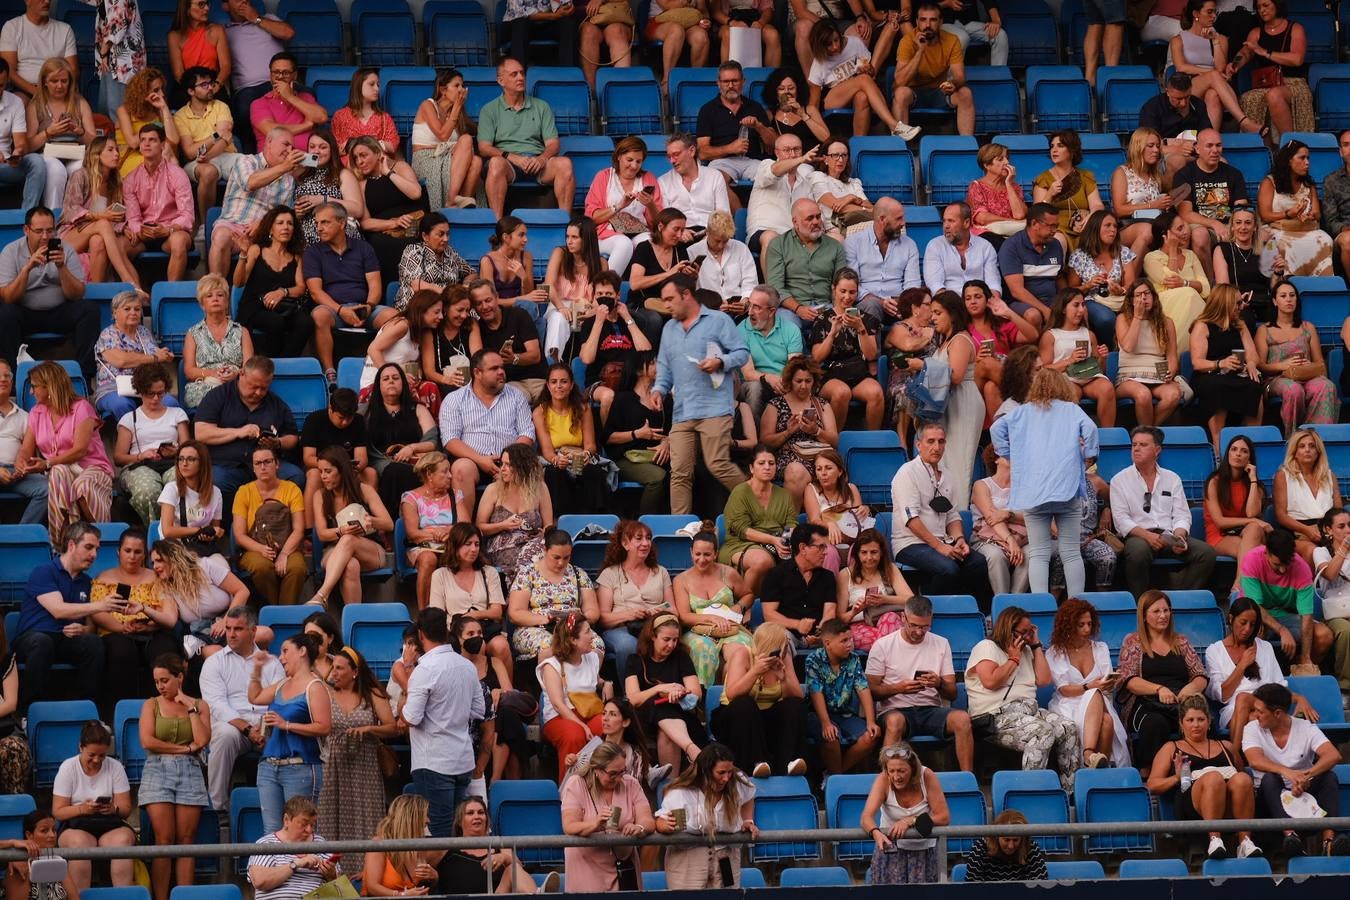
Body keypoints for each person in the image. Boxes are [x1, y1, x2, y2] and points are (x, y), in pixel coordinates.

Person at [649, 274, 749, 515]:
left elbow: (742, 353)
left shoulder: (719, 320)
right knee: (679, 472)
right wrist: (658, 389)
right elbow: (664, 366)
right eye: (664, 300)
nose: (667, 305)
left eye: (671, 299)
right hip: (683, 411)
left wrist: (720, 361)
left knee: (718, 465)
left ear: (686, 295)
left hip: (714, 408)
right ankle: (679, 529)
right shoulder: (668, 329)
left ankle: (757, 505)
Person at [966, 606, 1080, 789]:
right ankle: (1031, 791)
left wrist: (1035, 646)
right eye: (1023, 632)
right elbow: (990, 681)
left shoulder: (1027, 649)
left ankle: (1069, 792)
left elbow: (1044, 680)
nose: (1027, 637)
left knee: (1068, 728)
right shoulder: (986, 647)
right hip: (995, 715)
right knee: (1042, 731)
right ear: (1008, 629)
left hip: (1029, 711)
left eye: (1030, 631)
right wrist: (1013, 659)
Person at [399, 607, 483, 838]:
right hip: (462, 758)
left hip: (433, 761)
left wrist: (405, 675)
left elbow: (411, 718)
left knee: (438, 830)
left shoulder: (423, 669)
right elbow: (478, 710)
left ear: (421, 634)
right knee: (456, 829)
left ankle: (442, 876)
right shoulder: (467, 666)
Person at [1146, 693, 1257, 860]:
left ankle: (1245, 842)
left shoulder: (1226, 746)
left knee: (1242, 779)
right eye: (1190, 720)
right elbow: (1152, 785)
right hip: (1192, 805)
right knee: (1213, 777)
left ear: (1209, 721)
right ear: (1181, 724)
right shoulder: (1171, 747)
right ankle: (1214, 839)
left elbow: (1240, 774)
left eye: (1200, 719)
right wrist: (1176, 777)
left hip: (1228, 804)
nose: (1196, 725)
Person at [1244, 681, 1349, 857]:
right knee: (1270, 778)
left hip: (1303, 793)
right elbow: (1255, 760)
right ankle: (1291, 838)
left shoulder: (1305, 727)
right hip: (1269, 801)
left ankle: (1328, 842)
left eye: (1260, 712)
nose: (1255, 716)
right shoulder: (1252, 728)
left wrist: (1306, 776)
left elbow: (1333, 755)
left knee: (1329, 777)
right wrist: (1287, 772)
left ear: (1277, 713)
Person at [1109, 426, 1217, 596]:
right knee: (1138, 552)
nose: (1136, 448)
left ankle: (1179, 596)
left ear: (1157, 450)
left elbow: (1182, 514)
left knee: (1207, 553)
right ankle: (1141, 603)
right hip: (1139, 536)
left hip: (1169, 535)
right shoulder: (1119, 480)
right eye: (1134, 444)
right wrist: (1148, 536)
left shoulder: (1172, 478)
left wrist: (1180, 536)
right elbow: (1121, 521)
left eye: (1143, 445)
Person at [317, 646, 395, 878]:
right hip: (334, 766)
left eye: (340, 668)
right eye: (333, 668)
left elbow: (392, 727)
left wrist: (369, 728)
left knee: (367, 820)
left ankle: (368, 876)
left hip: (366, 766)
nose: (334, 672)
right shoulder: (325, 693)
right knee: (332, 821)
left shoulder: (372, 694)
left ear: (355, 672)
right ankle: (333, 877)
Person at [889, 422, 989, 603]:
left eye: (941, 442)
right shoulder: (907, 473)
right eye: (931, 441)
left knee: (978, 563)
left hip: (943, 541)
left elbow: (952, 516)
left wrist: (959, 540)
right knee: (948, 568)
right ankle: (927, 606)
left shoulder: (948, 475)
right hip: (910, 543)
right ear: (919, 445)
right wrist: (939, 546)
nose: (936, 447)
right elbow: (911, 520)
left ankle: (971, 612)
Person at [138, 654, 210, 900]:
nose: (160, 686)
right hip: (158, 769)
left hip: (190, 770)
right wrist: (183, 749)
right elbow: (147, 741)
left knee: (186, 841)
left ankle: (184, 897)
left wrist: (189, 707)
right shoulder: (151, 704)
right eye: (157, 681)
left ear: (179, 677)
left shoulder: (199, 705)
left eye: (165, 680)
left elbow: (202, 740)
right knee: (164, 839)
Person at [15, 361, 112, 542]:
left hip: (91, 468)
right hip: (60, 471)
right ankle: (61, 543)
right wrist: (21, 461)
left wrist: (48, 463)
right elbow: (26, 448)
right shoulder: (36, 412)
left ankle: (100, 538)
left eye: (34, 387)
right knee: (58, 473)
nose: (31, 392)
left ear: (49, 386)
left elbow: (80, 450)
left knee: (80, 486)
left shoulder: (82, 407)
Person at [1117, 589, 1210, 770]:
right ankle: (1150, 773)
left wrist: (1191, 688)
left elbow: (1200, 675)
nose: (1163, 615)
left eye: (1166, 610)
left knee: (1200, 718)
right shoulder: (1134, 642)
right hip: (1146, 702)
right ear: (1144, 616)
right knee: (1155, 723)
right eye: (1157, 611)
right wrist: (1159, 689)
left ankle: (1202, 768)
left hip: (1180, 700)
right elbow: (1128, 680)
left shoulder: (1181, 641)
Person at [439, 349, 536, 523]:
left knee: (533, 467)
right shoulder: (454, 399)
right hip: (473, 462)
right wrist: (480, 459)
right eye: (494, 368)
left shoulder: (516, 396)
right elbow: (450, 439)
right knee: (461, 468)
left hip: (511, 461)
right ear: (477, 372)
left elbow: (527, 433)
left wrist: (510, 460)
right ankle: (465, 532)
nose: (501, 372)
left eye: (502, 367)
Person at [248, 632, 332, 833]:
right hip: (269, 766)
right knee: (272, 830)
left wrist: (286, 725)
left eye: (285, 651)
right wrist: (257, 669)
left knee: (301, 830)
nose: (281, 657)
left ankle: (301, 866)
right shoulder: (283, 684)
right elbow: (255, 696)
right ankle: (279, 866)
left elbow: (324, 726)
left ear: (302, 651)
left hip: (300, 766)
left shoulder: (315, 686)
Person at [199, 606, 281, 809]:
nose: (231, 634)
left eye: (238, 629)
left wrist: (264, 728)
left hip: (265, 722)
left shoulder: (272, 663)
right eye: (228, 628)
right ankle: (218, 807)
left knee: (283, 732)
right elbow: (216, 706)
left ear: (253, 632)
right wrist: (247, 729)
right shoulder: (214, 663)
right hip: (233, 724)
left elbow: (279, 699)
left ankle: (281, 804)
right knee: (225, 735)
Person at [0, 206, 93, 378]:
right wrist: (27, 269)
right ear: (26, 230)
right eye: (39, 231)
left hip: (58, 312)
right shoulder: (11, 252)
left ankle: (84, 376)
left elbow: (77, 294)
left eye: (50, 231)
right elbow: (7, 297)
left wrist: (61, 266)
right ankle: (10, 377)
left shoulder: (66, 250)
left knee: (88, 309)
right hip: (25, 313)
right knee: (4, 314)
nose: (45, 237)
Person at [304, 203, 391, 384]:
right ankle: (330, 374)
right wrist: (341, 309)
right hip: (333, 310)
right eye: (317, 223)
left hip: (363, 307)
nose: (319, 228)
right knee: (319, 315)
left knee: (394, 317)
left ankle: (384, 367)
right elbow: (315, 292)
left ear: (342, 223)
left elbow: (375, 285)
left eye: (325, 222)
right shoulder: (313, 252)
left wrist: (368, 306)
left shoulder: (363, 248)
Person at [477, 58, 573, 217]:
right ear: (501, 80)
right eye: (514, 74)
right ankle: (497, 227)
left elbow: (553, 143)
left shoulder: (541, 106)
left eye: (522, 73)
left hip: (537, 163)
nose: (520, 78)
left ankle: (566, 226)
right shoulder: (489, 109)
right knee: (495, 164)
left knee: (564, 163)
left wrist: (542, 159)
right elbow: (484, 148)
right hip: (509, 164)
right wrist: (512, 157)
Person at [653, 743, 758, 888]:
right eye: (721, 773)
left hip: (726, 855)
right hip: (689, 857)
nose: (726, 778)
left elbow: (749, 795)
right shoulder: (680, 792)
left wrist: (747, 820)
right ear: (705, 771)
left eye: (729, 772)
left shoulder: (737, 782)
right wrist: (665, 826)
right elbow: (660, 821)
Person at [711, 622, 807, 777]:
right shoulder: (743, 654)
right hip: (735, 718)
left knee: (795, 705)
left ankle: (788, 765)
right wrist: (754, 672)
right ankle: (755, 765)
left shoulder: (784, 657)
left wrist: (784, 680)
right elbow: (732, 694)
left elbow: (797, 696)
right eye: (784, 643)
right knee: (744, 703)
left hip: (765, 719)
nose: (786, 646)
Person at [90, 529, 178, 702]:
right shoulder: (104, 578)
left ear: (144, 554)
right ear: (118, 552)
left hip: (153, 632)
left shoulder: (156, 578)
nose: (132, 556)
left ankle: (166, 707)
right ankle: (125, 710)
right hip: (115, 632)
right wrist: (123, 627)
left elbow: (168, 611)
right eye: (127, 551)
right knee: (122, 652)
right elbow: (98, 612)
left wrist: (149, 625)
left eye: (137, 552)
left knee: (165, 651)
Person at [1208, 595, 1310, 742]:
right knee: (1248, 709)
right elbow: (1222, 695)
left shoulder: (1265, 647)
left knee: (1255, 718)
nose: (1247, 629)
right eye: (1243, 623)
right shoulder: (1215, 650)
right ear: (1231, 619)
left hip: (1266, 706)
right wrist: (1242, 665)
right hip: (1234, 709)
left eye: (1252, 624)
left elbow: (1278, 687)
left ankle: (1237, 756)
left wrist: (1299, 698)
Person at [560, 740, 655, 891]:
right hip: (586, 868)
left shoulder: (631, 783)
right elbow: (569, 826)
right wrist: (595, 823)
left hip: (623, 869)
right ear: (596, 769)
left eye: (622, 772)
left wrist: (639, 827)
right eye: (612, 774)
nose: (618, 779)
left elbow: (647, 820)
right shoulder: (576, 784)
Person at [51, 721, 135, 892]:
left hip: (109, 825)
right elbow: (58, 812)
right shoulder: (68, 767)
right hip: (75, 826)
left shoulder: (115, 766)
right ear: (81, 747)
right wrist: (83, 809)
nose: (97, 760)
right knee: (79, 844)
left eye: (102, 756)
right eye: (92, 755)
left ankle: (124, 895)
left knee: (123, 841)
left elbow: (126, 809)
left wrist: (113, 809)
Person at [1046, 598, 1129, 769]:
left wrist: (1110, 683)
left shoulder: (1101, 648)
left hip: (1100, 699)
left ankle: (1093, 761)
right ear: (1068, 625)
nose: (1087, 629)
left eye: (1089, 624)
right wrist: (1089, 686)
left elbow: (1106, 683)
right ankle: (1090, 755)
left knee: (1101, 706)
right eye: (1081, 625)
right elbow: (1064, 690)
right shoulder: (1054, 652)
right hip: (1068, 703)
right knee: (1105, 720)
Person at [208, 127, 302, 277]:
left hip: (263, 233)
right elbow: (250, 183)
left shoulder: (288, 180)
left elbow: (284, 213)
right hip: (232, 225)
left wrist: (264, 222)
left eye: (292, 147)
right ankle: (217, 289)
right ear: (269, 142)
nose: (290, 150)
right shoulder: (246, 161)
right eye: (286, 144)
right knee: (221, 236)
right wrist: (284, 167)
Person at [308, 449, 394, 609]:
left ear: (342, 470)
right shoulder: (319, 495)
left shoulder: (364, 489)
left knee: (349, 539)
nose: (323, 476)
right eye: (320, 472)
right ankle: (353, 621)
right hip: (333, 551)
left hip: (370, 550)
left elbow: (389, 524)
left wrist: (371, 521)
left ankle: (322, 594)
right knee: (350, 565)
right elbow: (322, 534)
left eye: (328, 471)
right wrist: (341, 531)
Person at [1242, 527, 1333, 672]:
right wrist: (1282, 630)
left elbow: (1306, 615)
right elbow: (1255, 606)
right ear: (1267, 553)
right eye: (1277, 565)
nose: (1283, 570)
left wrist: (1306, 656)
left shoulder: (1302, 568)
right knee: (1254, 631)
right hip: (1258, 615)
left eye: (1287, 564)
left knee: (1324, 635)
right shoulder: (1251, 560)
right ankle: (1257, 679)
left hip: (1288, 615)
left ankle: (1300, 669)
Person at [1256, 279, 1339, 432]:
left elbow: (1320, 362)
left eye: (1292, 295)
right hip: (1278, 378)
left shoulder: (1308, 327)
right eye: (1283, 296)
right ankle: (1294, 438)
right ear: (1275, 301)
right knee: (1293, 390)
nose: (1288, 299)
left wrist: (1309, 366)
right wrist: (1282, 365)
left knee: (1327, 386)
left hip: (1308, 376)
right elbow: (1259, 365)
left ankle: (1317, 436)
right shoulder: (1264, 330)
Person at [111, 365, 189, 528]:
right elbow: (118, 458)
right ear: (140, 391)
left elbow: (188, 448)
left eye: (160, 393)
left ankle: (176, 531)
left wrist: (177, 451)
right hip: (139, 465)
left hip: (173, 463)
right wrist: (141, 455)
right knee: (147, 491)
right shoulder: (129, 419)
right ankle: (158, 530)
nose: (155, 398)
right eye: (150, 394)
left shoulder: (177, 414)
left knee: (179, 485)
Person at [674, 530, 754, 687]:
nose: (702, 559)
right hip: (697, 631)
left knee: (740, 649)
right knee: (704, 649)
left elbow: (748, 594)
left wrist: (739, 606)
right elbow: (683, 616)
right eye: (697, 554)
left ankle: (732, 693)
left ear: (716, 554)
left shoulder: (728, 573)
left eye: (707, 555)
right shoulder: (681, 580)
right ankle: (703, 698)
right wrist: (712, 618)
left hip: (729, 628)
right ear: (691, 552)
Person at [508, 528, 600, 666]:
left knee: (596, 644)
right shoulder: (528, 574)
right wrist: (546, 619)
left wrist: (576, 621)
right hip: (537, 628)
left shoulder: (578, 574)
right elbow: (515, 613)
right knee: (553, 645)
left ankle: (587, 684)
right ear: (545, 550)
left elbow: (593, 611)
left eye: (566, 557)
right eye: (556, 557)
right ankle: (551, 686)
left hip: (573, 627)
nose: (561, 563)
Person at [860, 742, 948, 885]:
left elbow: (943, 817)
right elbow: (866, 817)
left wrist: (909, 820)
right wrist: (876, 833)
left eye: (901, 771)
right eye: (892, 771)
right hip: (891, 851)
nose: (896, 776)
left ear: (913, 769)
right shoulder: (883, 779)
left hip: (924, 852)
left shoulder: (926, 776)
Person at [1170, 0, 1263, 135]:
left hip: (1216, 86)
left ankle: (1209, 140)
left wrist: (1215, 41)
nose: (1214, 16)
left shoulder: (1221, 39)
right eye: (1209, 12)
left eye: (1215, 12)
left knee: (1213, 95)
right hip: (1189, 85)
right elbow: (1181, 67)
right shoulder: (1178, 39)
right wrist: (1210, 72)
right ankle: (1243, 121)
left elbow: (1220, 68)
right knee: (1214, 76)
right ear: (1196, 14)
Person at [1189, 284, 1263, 451]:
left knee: (1254, 384)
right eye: (1237, 303)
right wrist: (1220, 363)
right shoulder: (1202, 325)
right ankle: (1219, 448)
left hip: (1234, 373)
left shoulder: (1240, 325)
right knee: (1217, 386)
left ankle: (1250, 444)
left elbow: (1253, 355)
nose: (1241, 306)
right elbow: (1197, 363)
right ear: (1224, 303)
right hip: (1209, 373)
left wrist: (1251, 364)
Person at [536, 612, 607, 781]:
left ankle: (602, 785)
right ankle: (570, 791)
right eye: (588, 632)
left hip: (589, 712)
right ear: (573, 640)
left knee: (609, 724)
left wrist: (607, 685)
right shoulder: (551, 665)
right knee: (574, 734)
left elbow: (597, 680)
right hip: (560, 716)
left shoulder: (593, 657)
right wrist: (583, 726)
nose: (593, 637)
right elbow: (558, 704)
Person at [231, 444, 306, 605]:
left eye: (267, 462)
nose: (263, 467)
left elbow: (299, 529)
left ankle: (287, 615)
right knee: (262, 567)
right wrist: (261, 549)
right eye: (258, 463)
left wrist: (284, 554)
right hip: (254, 547)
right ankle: (271, 612)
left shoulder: (292, 489)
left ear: (277, 464)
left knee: (297, 568)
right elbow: (239, 535)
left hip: (288, 546)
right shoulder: (244, 492)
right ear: (253, 468)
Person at [720, 445, 798, 598]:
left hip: (776, 543)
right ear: (751, 468)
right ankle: (744, 605)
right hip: (739, 544)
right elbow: (741, 529)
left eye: (771, 463)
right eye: (761, 463)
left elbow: (791, 523)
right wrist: (773, 540)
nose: (767, 467)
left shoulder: (783, 494)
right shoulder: (740, 492)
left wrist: (785, 541)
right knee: (762, 561)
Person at [805, 21, 908, 138]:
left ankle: (858, 145)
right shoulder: (819, 63)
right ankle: (893, 125)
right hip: (832, 98)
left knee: (862, 97)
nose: (835, 46)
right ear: (820, 46)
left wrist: (868, 69)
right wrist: (817, 127)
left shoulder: (853, 43)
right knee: (863, 79)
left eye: (836, 40)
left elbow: (871, 73)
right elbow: (813, 104)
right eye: (828, 44)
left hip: (857, 92)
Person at [233, 205, 311, 359]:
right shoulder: (256, 249)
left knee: (305, 322)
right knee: (275, 322)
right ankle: (272, 362)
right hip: (255, 306)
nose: (286, 227)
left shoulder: (297, 256)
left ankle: (286, 362)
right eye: (280, 223)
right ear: (270, 229)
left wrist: (283, 292)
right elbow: (238, 282)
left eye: (290, 223)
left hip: (282, 306)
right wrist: (243, 253)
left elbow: (301, 288)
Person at [532, 363, 610, 515]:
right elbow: (546, 451)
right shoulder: (540, 412)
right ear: (547, 385)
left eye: (564, 381)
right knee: (556, 474)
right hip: (553, 458)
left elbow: (590, 445)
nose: (559, 386)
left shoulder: (583, 408)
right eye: (554, 382)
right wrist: (556, 459)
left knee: (593, 471)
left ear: (572, 384)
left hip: (578, 455)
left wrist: (586, 454)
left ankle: (593, 520)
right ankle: (561, 520)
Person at [428, 523, 511, 665]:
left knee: (501, 645)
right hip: (455, 630)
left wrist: (475, 615)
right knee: (474, 644)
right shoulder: (440, 575)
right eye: (468, 544)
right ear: (455, 546)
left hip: (484, 628)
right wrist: (462, 626)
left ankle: (506, 687)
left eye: (477, 544)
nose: (473, 549)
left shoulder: (489, 572)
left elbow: (497, 612)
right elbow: (438, 615)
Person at [1172, 128, 1249, 280]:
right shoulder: (1184, 175)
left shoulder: (1233, 174)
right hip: (1203, 225)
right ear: (1197, 148)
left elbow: (1242, 208)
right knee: (1199, 235)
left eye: (1218, 145)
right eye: (1209, 146)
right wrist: (1214, 223)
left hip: (1230, 225)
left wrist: (1233, 226)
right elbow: (1185, 213)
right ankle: (1209, 284)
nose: (1215, 150)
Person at [806, 618, 880, 774]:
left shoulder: (853, 659)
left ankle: (834, 776)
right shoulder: (814, 660)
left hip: (845, 715)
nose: (849, 644)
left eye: (850, 639)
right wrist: (826, 723)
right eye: (844, 641)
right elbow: (815, 691)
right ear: (827, 644)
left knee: (871, 737)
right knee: (831, 737)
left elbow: (863, 688)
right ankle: (837, 779)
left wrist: (871, 721)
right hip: (818, 716)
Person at [758, 355, 837, 501]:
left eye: (808, 381)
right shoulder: (775, 404)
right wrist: (788, 432)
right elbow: (765, 441)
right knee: (796, 470)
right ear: (790, 381)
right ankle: (791, 521)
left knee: (817, 469)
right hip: (787, 458)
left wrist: (816, 430)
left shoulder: (822, 404)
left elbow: (834, 440)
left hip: (817, 459)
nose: (803, 386)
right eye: (798, 381)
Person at [1233, 1, 1312, 144]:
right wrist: (1235, 64)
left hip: (1293, 83)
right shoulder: (1256, 32)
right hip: (1266, 84)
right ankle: (1265, 150)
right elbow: (1245, 52)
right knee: (1249, 97)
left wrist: (1265, 52)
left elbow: (1297, 59)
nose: (1262, 10)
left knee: (1274, 95)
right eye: (1258, 8)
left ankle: (1290, 146)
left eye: (1266, 5)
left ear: (1277, 5)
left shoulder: (1295, 28)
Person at [584, 135, 661, 280]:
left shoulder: (648, 178)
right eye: (630, 160)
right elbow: (592, 218)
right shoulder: (604, 176)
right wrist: (619, 206)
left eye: (638, 161)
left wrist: (650, 204)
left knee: (651, 242)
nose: (634, 166)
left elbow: (657, 223)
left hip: (638, 232)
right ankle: (604, 289)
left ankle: (644, 294)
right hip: (605, 234)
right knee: (624, 243)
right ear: (619, 156)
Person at [121, 133, 195, 283]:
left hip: (170, 232)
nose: (146, 144)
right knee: (118, 246)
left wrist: (168, 229)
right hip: (143, 235)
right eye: (143, 140)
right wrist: (139, 231)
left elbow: (187, 215)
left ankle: (172, 295)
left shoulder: (177, 174)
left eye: (152, 140)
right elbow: (133, 218)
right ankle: (136, 294)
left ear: (162, 145)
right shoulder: (131, 179)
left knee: (179, 241)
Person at [477, 442, 551, 590]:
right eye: (501, 464)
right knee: (518, 558)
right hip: (502, 546)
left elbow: (548, 524)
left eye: (508, 465)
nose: (502, 469)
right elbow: (479, 527)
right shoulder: (493, 490)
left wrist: (545, 533)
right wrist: (503, 525)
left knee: (544, 555)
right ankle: (518, 600)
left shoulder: (540, 488)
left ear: (522, 467)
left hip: (532, 543)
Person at [1038, 288, 1116, 427]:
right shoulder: (1050, 335)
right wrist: (1070, 360)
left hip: (1089, 378)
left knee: (1107, 388)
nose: (1081, 310)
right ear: (1063, 309)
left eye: (1083, 305)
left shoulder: (1089, 334)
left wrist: (1103, 358)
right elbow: (1043, 369)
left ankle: (1107, 435)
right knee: (1072, 392)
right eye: (1076, 305)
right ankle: (1070, 435)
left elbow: (1100, 369)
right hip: (1065, 378)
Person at [1204, 435, 1272, 595]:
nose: (1238, 454)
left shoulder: (1256, 485)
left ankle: (1238, 586)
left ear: (1250, 458)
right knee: (1259, 551)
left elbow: (1251, 513)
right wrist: (1253, 520)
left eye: (1244, 451)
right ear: (1228, 454)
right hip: (1219, 536)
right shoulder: (1214, 481)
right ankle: (1248, 590)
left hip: (1247, 534)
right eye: (1234, 449)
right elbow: (1219, 522)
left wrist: (1253, 480)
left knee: (1254, 530)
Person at [93, 291, 176, 420]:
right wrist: (154, 358)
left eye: (137, 309)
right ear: (115, 313)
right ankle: (134, 439)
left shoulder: (143, 332)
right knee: (123, 405)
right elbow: (122, 361)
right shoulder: (107, 334)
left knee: (170, 403)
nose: (133, 312)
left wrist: (165, 355)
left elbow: (156, 354)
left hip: (145, 387)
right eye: (127, 309)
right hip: (113, 388)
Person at [891, 2, 970, 137]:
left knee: (965, 93)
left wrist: (953, 84)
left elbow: (960, 76)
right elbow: (899, 81)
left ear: (940, 22)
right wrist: (920, 51)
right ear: (916, 22)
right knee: (901, 93)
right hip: (913, 93)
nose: (927, 25)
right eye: (923, 20)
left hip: (939, 91)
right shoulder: (907, 41)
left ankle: (968, 146)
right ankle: (899, 146)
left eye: (933, 20)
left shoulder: (952, 40)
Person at [437, 797, 545, 895]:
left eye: (481, 812)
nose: (477, 816)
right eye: (470, 813)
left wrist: (504, 858)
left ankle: (538, 895)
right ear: (460, 821)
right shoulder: (447, 848)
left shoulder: (499, 844)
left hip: (495, 896)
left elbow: (519, 871)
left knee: (513, 868)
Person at [357, 291, 444, 411]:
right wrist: (395, 375)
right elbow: (373, 349)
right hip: (378, 382)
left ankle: (430, 428)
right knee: (409, 392)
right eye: (436, 312)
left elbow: (413, 361)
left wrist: (417, 373)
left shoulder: (421, 331)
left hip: (402, 383)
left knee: (430, 387)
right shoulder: (402, 325)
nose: (441, 317)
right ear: (422, 310)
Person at [175, 66, 240, 225]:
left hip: (225, 155)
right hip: (195, 163)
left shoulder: (221, 106)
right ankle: (205, 226)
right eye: (204, 85)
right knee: (208, 172)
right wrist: (214, 136)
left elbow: (225, 139)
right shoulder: (180, 116)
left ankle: (240, 221)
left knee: (249, 166)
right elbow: (190, 153)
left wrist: (207, 154)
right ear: (191, 91)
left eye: (210, 83)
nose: (210, 87)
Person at [1114, 280, 1185, 426]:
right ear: (1131, 300)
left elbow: (1172, 356)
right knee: (1143, 394)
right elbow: (1128, 346)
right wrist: (1137, 317)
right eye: (1138, 295)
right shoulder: (1123, 319)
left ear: (1154, 297)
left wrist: (1170, 372)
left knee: (1173, 394)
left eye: (1147, 294)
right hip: (1129, 377)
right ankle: (1148, 435)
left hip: (1157, 376)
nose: (1143, 298)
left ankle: (1147, 432)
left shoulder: (1167, 323)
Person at [1259, 140, 1333, 277]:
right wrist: (1288, 214)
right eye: (1302, 158)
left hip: (1306, 229)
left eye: (1308, 158)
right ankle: (1289, 286)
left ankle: (1319, 286)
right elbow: (1265, 215)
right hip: (1278, 229)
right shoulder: (1269, 182)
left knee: (1326, 240)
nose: (1307, 162)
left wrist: (1310, 215)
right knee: (1282, 244)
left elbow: (1317, 213)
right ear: (1288, 160)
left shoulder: (1308, 184)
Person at [411, 68, 481, 210]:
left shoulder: (458, 113)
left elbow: (478, 132)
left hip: (447, 159)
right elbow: (442, 135)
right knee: (466, 139)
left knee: (477, 161)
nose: (461, 90)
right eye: (456, 86)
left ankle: (462, 208)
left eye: (462, 85)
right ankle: (452, 200)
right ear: (443, 90)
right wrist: (457, 107)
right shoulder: (428, 105)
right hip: (425, 159)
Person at [760, 522, 837, 651]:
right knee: (778, 640)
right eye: (820, 547)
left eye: (826, 547)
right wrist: (797, 625)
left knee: (842, 641)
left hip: (819, 637)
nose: (825, 553)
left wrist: (824, 631)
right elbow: (769, 615)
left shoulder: (827, 577)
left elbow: (830, 611)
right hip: (787, 633)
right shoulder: (776, 574)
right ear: (802, 548)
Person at [183, 273, 253, 410]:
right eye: (209, 296)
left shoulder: (242, 331)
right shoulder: (193, 333)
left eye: (220, 295)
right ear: (202, 304)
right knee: (218, 395)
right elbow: (189, 371)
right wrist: (212, 373)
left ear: (227, 301)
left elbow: (249, 368)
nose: (215, 299)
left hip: (235, 383)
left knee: (240, 393)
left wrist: (235, 374)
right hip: (204, 386)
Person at [247, 797, 340, 900]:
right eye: (304, 824)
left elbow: (340, 888)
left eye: (312, 824)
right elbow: (259, 881)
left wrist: (331, 875)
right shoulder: (266, 843)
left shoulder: (321, 843)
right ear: (286, 820)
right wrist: (296, 864)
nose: (309, 830)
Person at [1067, 210, 1139, 343]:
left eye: (1115, 226)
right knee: (1105, 318)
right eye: (1108, 225)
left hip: (1118, 299)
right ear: (1095, 228)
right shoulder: (1079, 256)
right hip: (1091, 299)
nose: (1113, 230)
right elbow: (1071, 291)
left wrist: (1121, 290)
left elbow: (1131, 285)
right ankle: (1109, 351)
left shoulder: (1123, 252)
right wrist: (1089, 284)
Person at [1275, 427, 1342, 564]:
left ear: (1318, 452)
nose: (1307, 450)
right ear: (1295, 452)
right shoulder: (1283, 475)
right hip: (1296, 532)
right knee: (1313, 551)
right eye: (1302, 446)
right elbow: (1281, 516)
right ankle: (1309, 586)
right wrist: (1307, 530)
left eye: (1312, 446)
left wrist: (1329, 532)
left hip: (1328, 530)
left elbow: (1339, 513)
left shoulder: (1329, 476)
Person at [1032, 131, 1106, 256]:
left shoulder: (1085, 176)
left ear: (1072, 151)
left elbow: (1097, 205)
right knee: (1058, 241)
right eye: (1052, 146)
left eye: (1060, 146)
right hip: (1055, 227)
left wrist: (1089, 219)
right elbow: (1037, 214)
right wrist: (1050, 193)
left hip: (1083, 225)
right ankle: (1059, 274)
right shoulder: (1043, 179)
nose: (1054, 150)